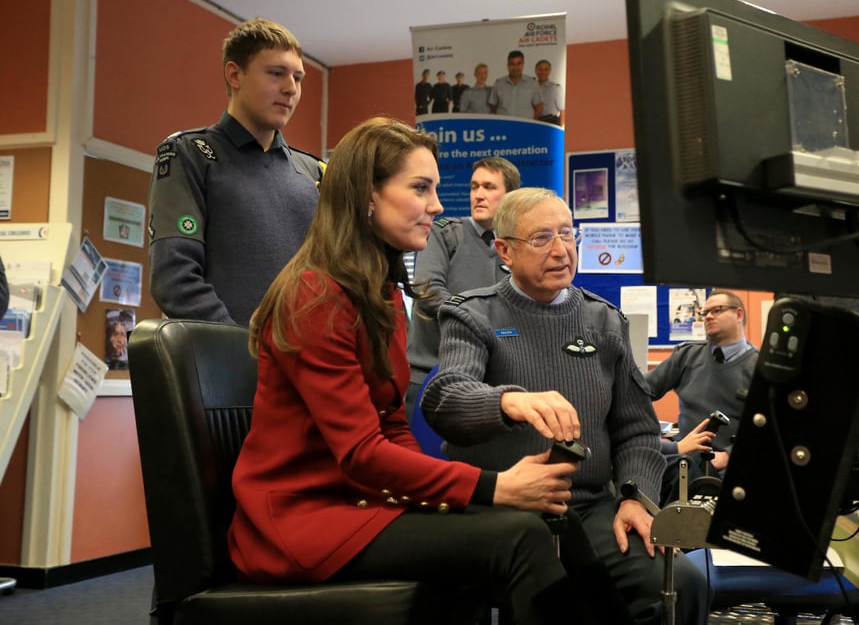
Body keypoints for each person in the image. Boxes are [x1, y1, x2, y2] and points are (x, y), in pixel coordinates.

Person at [226, 118, 630, 625]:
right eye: (421, 188)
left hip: (363, 502)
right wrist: (492, 487)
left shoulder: (384, 292)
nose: (438, 206)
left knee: (550, 519)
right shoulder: (314, 295)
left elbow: (392, 427)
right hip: (305, 520)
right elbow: (361, 453)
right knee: (521, 535)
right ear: (365, 196)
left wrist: (451, 495)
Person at [423, 188, 710, 625]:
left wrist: (636, 498)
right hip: (499, 506)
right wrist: (509, 400)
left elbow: (637, 432)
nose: (561, 251)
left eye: (567, 235)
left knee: (682, 584)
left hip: (588, 508)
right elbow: (446, 398)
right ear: (504, 250)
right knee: (550, 601)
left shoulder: (606, 322)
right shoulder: (472, 315)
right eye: (541, 238)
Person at [147, 18, 322, 325]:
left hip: (308, 365)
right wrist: (241, 352)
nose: (290, 88)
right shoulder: (190, 155)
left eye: (298, 78)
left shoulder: (313, 172)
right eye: (276, 73)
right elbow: (175, 280)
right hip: (230, 366)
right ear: (234, 74)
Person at [404, 156, 521, 417]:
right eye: (474, 186)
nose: (478, 195)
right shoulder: (444, 232)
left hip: (486, 380)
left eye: (489, 187)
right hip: (430, 373)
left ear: (510, 196)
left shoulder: (515, 247)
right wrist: (473, 322)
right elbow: (428, 289)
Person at [645, 290, 758, 504]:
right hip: (684, 461)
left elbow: (770, 429)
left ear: (739, 314)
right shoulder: (687, 356)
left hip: (730, 467)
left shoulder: (759, 368)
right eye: (704, 312)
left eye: (717, 310)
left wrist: (729, 456)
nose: (708, 317)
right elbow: (642, 390)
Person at [489, 50, 543, 119]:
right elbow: (493, 107)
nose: (515, 67)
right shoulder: (498, 84)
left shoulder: (533, 83)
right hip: (504, 126)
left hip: (525, 127)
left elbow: (539, 107)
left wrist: (531, 123)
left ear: (523, 64)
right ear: (507, 65)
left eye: (518, 63)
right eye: (512, 64)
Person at [535, 59, 565, 125]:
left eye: (546, 69)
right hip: (535, 121)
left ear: (550, 71)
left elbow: (562, 111)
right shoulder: (531, 87)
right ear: (536, 71)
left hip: (550, 122)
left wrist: (560, 130)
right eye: (540, 69)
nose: (543, 72)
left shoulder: (556, 88)